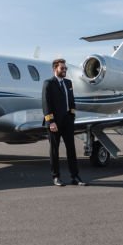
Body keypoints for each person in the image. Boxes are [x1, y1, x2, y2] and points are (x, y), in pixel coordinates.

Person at [42, 58, 86, 186]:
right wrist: (51, 121)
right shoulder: (48, 83)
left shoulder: (68, 83)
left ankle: (75, 177)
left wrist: (72, 116)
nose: (65, 70)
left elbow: (71, 101)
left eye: (65, 68)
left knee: (71, 149)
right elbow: (46, 103)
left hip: (67, 121)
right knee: (54, 150)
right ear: (55, 69)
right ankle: (56, 177)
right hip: (54, 122)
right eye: (62, 68)